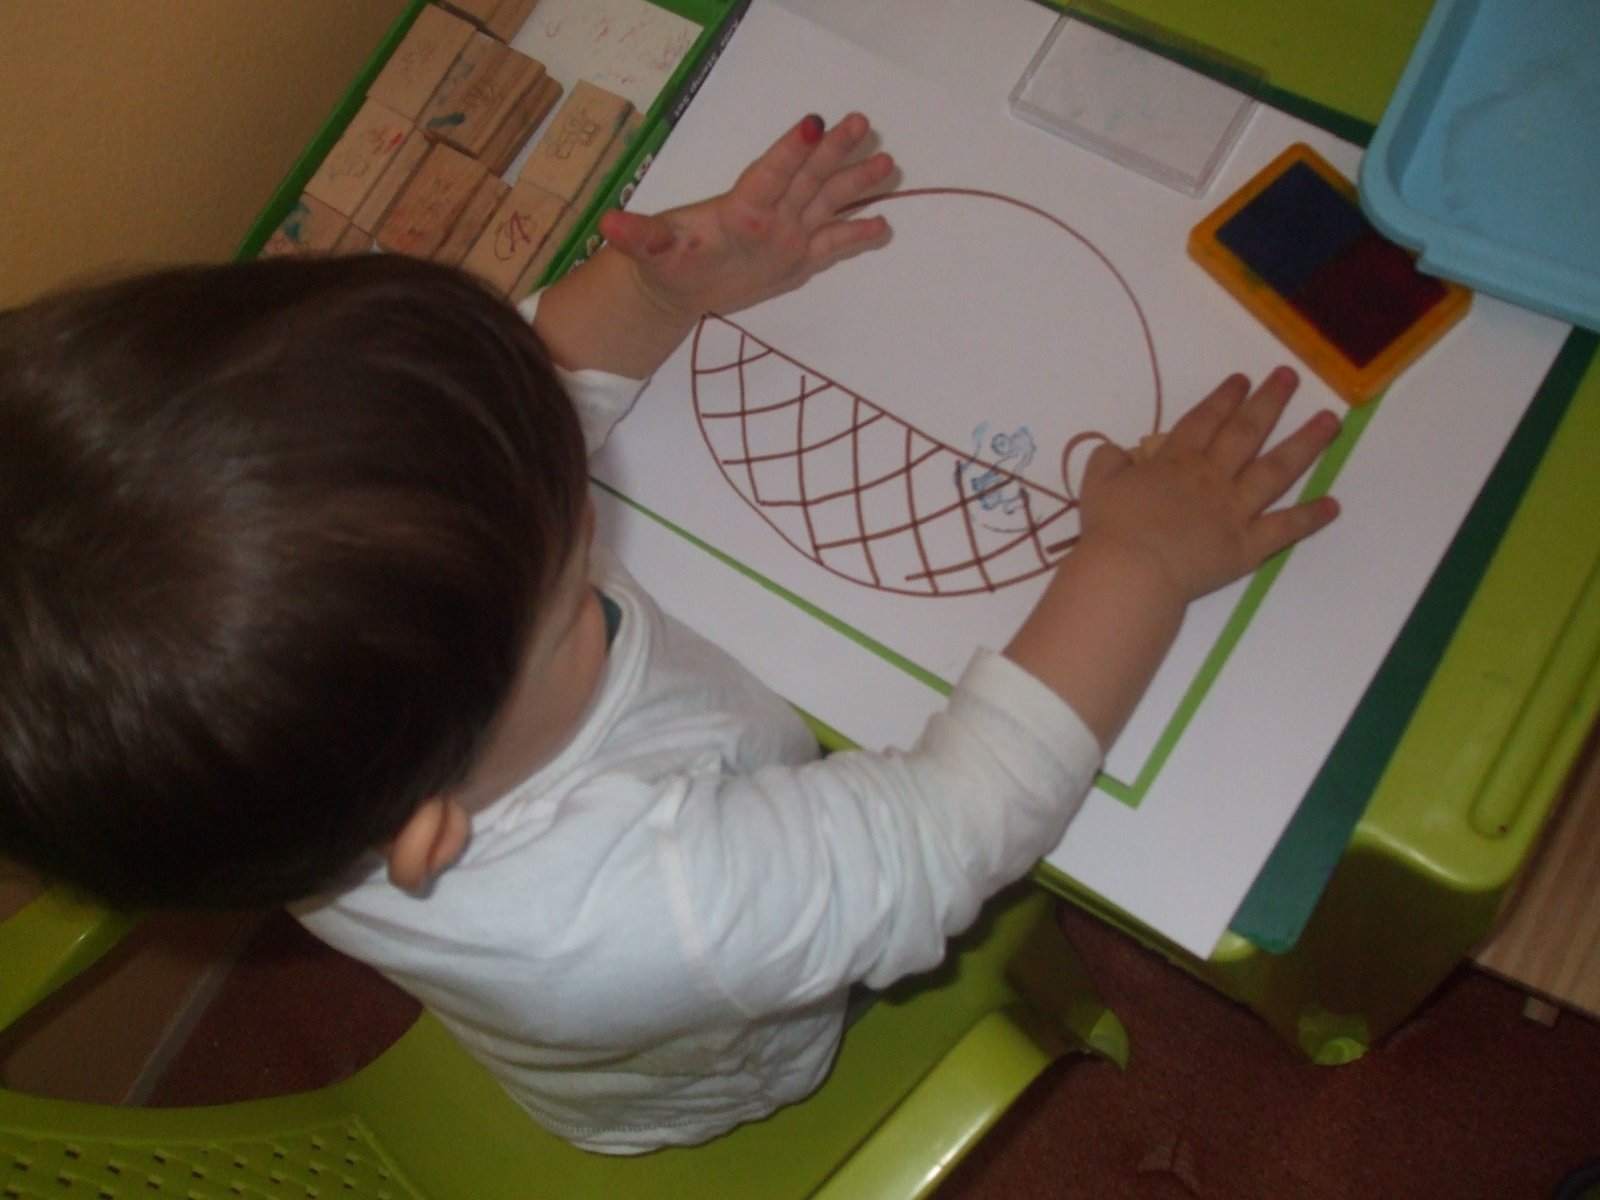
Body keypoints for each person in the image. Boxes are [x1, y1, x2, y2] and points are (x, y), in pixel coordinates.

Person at [0, 113, 1340, 1153]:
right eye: (563, 584)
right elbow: (952, 831)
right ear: (427, 826)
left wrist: (657, 296)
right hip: (720, 1062)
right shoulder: (649, 910)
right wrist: (1139, 561)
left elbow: (498, 435)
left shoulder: (335, 714)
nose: (586, 501)